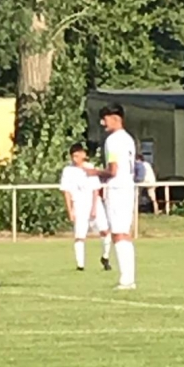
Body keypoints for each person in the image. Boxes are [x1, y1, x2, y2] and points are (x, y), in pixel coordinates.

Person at [96, 103, 137, 290]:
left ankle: (126, 279)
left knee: (118, 234)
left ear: (115, 118)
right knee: (123, 233)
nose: (102, 123)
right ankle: (128, 277)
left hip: (117, 188)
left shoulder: (112, 140)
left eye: (104, 119)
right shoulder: (128, 139)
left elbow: (112, 170)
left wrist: (94, 173)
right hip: (128, 186)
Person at [60, 143, 111, 272]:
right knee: (80, 235)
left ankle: (105, 256)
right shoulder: (68, 171)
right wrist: (70, 210)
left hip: (94, 203)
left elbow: (95, 189)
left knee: (105, 231)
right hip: (79, 204)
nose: (75, 159)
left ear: (83, 155)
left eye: (78, 155)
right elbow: (66, 191)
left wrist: (94, 208)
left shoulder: (89, 168)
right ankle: (80, 265)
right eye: (73, 156)